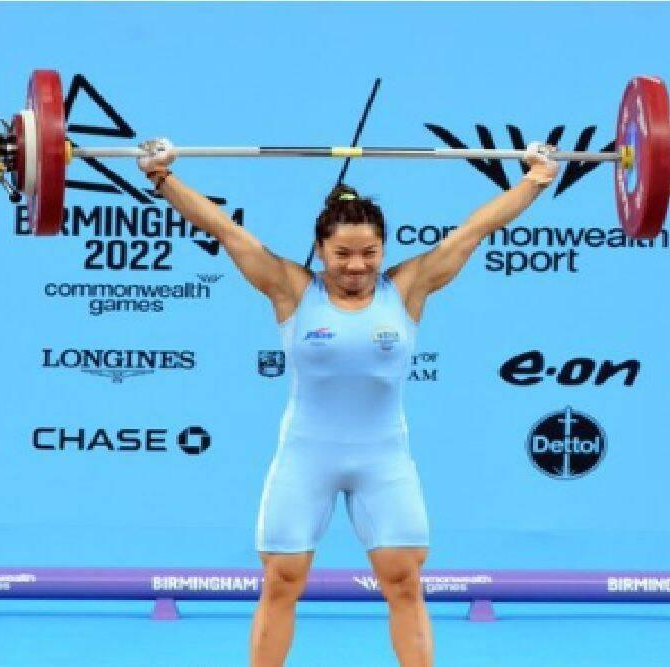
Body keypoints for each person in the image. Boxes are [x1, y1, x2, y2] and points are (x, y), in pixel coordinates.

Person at [138, 139, 560, 667]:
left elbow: (474, 230)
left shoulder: (407, 288)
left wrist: (536, 179)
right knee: (281, 580)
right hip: (306, 457)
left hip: (383, 459)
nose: (356, 266)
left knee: (403, 581)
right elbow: (225, 230)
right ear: (320, 250)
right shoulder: (292, 289)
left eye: (369, 253)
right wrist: (162, 177)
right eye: (342, 254)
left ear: (383, 249)